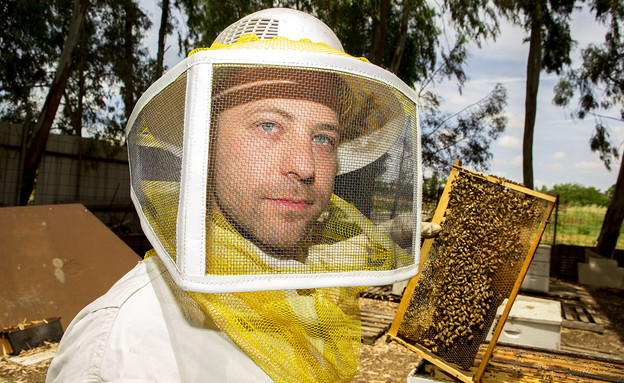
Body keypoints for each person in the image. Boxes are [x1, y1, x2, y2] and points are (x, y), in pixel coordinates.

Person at [47, 8, 427, 383]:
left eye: (323, 137)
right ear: (204, 141)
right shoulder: (121, 343)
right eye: (268, 125)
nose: (305, 165)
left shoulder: (317, 299)